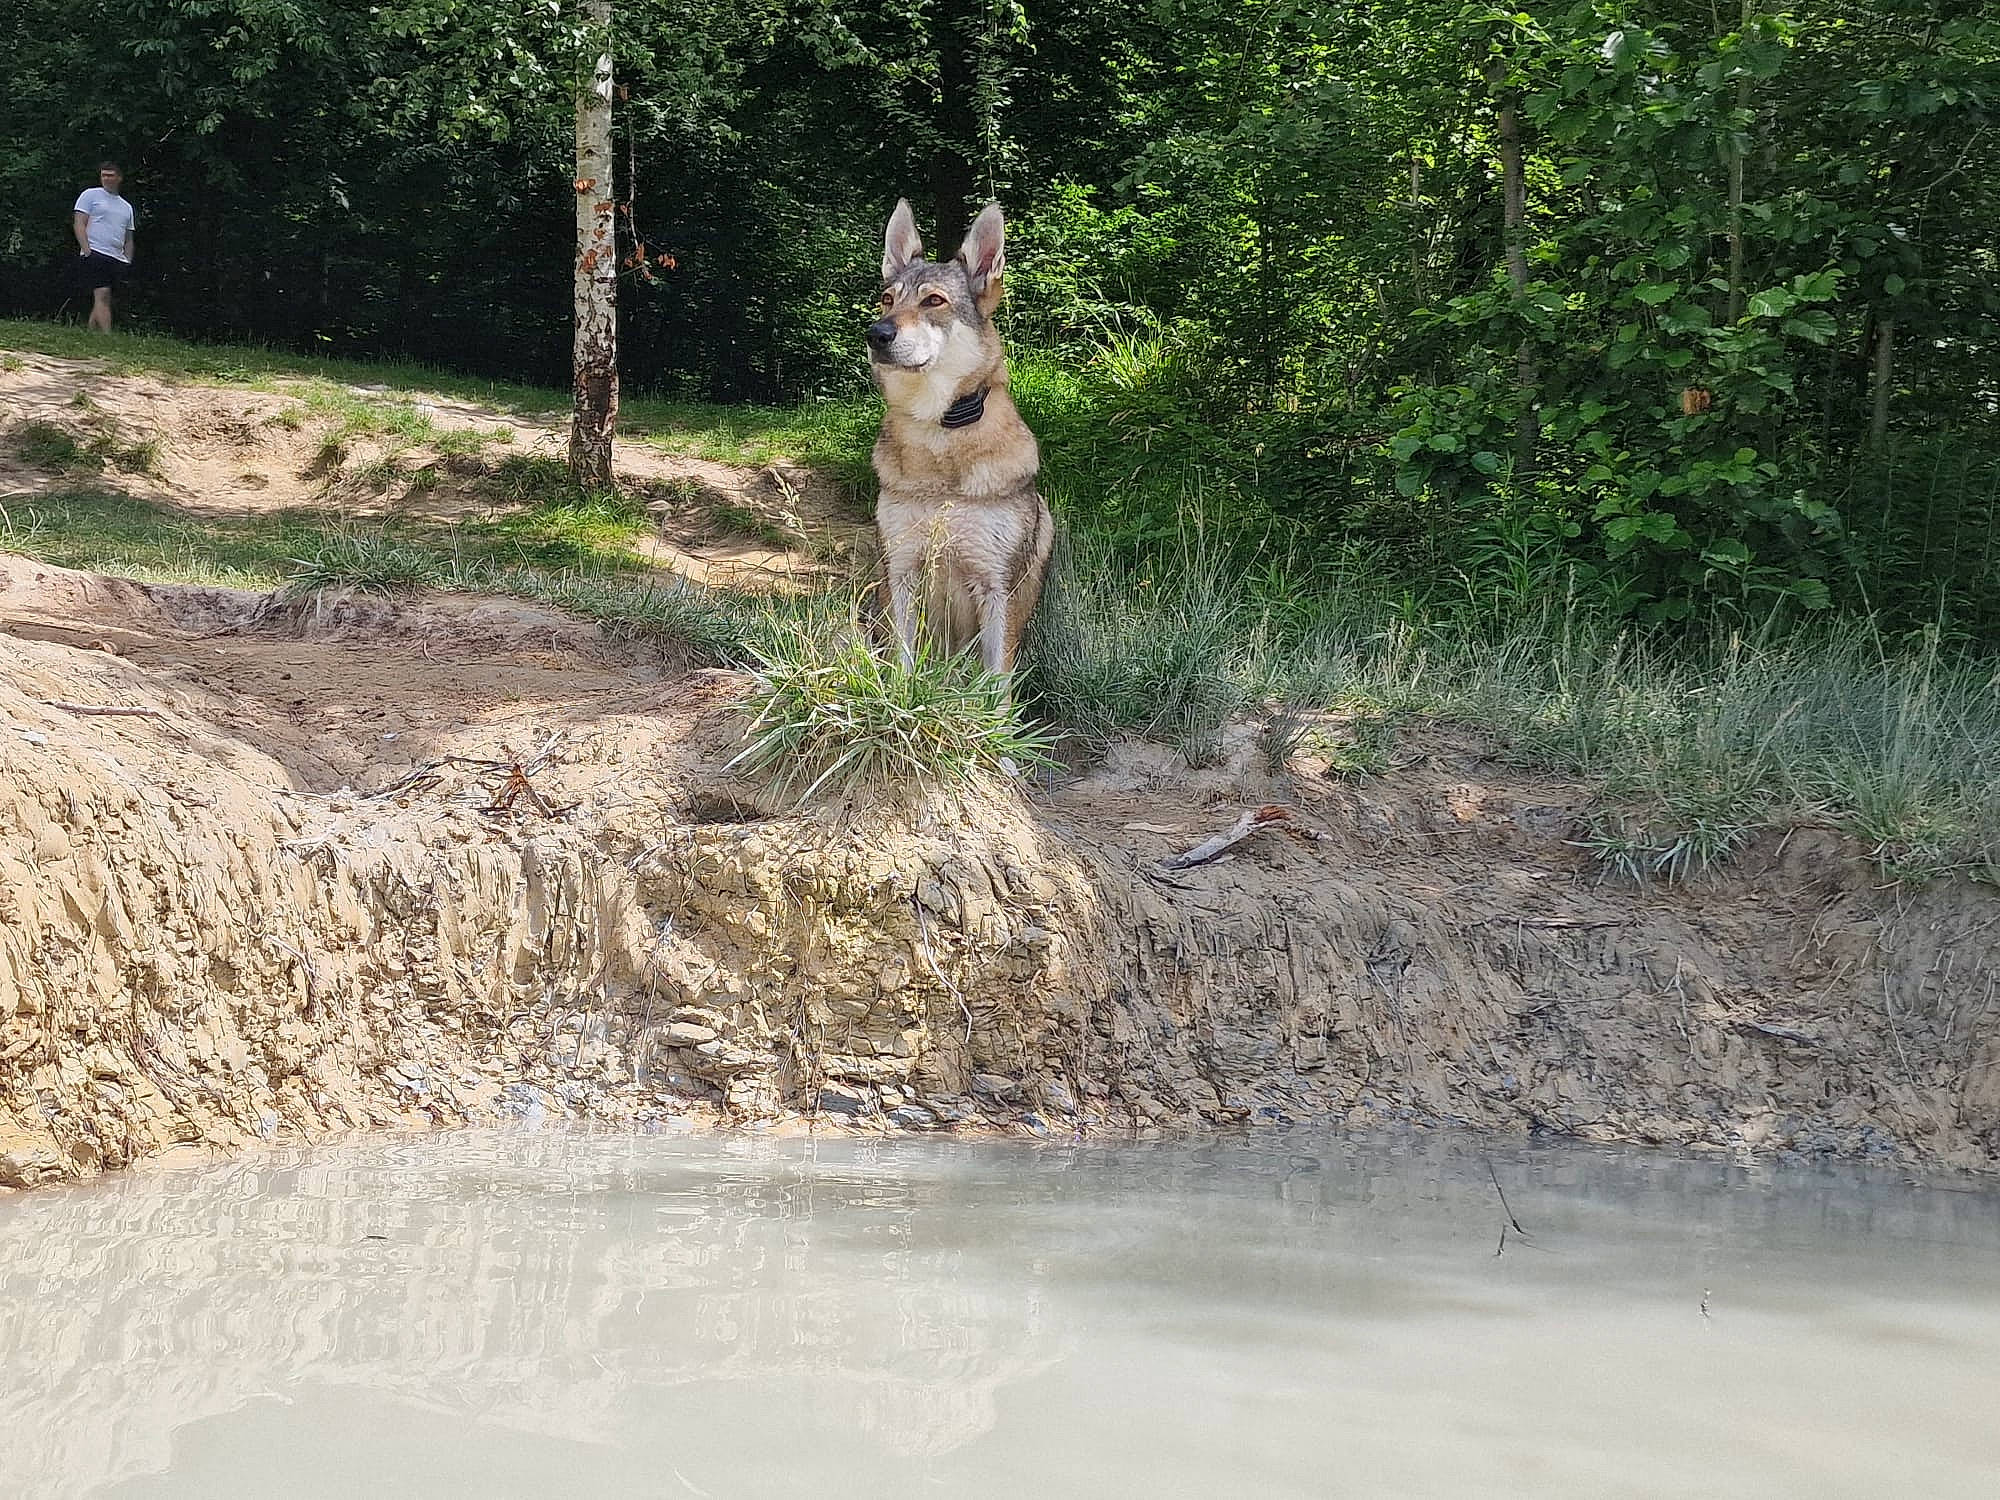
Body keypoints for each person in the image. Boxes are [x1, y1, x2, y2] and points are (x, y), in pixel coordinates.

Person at [73, 162, 135, 332]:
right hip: (95, 252)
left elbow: (128, 237)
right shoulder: (90, 195)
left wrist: (127, 259)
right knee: (103, 294)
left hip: (116, 257)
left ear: (119, 178)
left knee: (103, 296)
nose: (107, 178)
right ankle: (107, 336)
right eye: (104, 175)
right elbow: (79, 223)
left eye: (111, 175)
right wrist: (87, 251)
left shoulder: (126, 207)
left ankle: (91, 333)